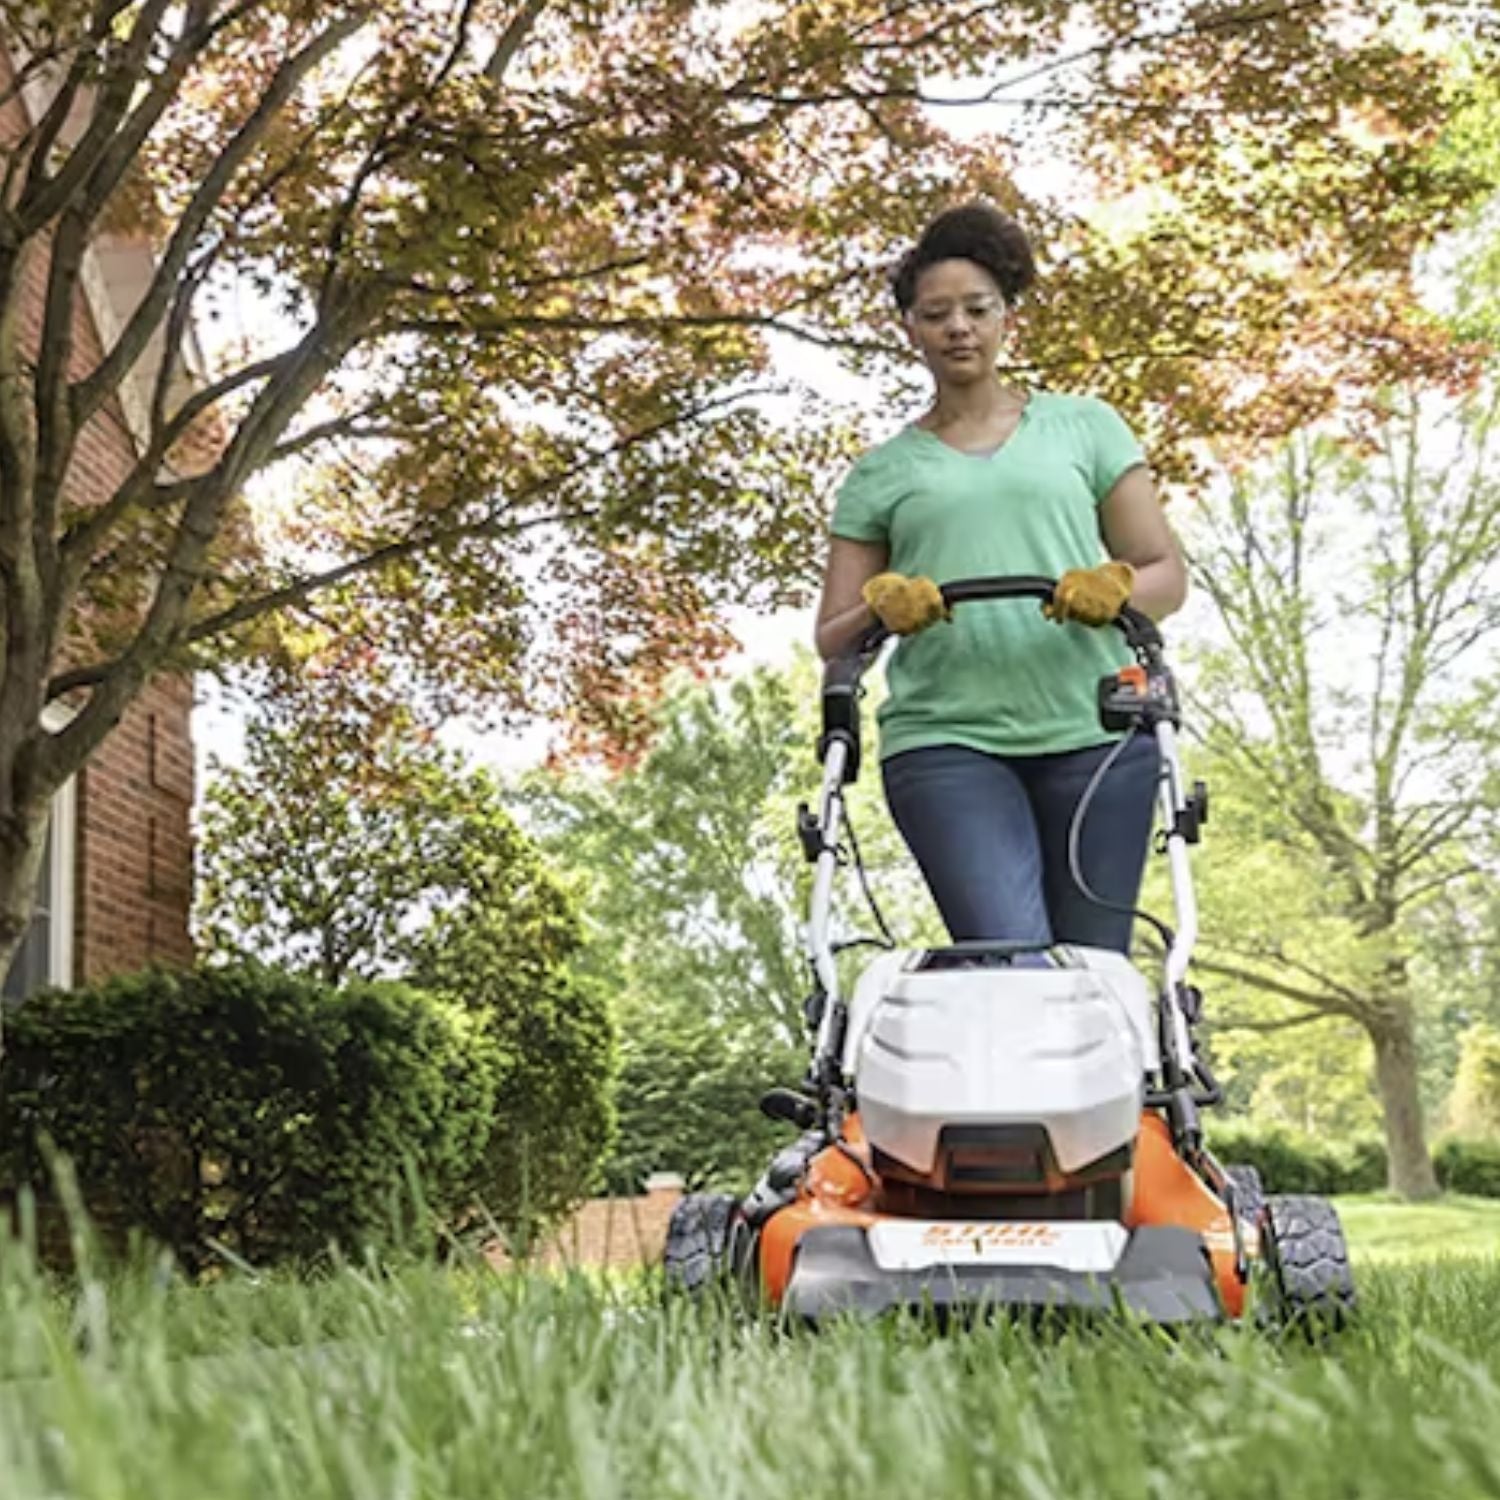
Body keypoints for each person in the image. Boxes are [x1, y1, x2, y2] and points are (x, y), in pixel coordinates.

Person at [814, 202, 1187, 954]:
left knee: (1090, 965)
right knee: (1009, 959)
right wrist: (883, 607)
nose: (959, 327)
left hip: (1097, 732)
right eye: (937, 313)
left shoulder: (1085, 428)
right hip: (947, 740)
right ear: (910, 328)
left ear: (1007, 317)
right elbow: (833, 636)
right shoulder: (880, 473)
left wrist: (1115, 588)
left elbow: (1167, 575)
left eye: (978, 309)